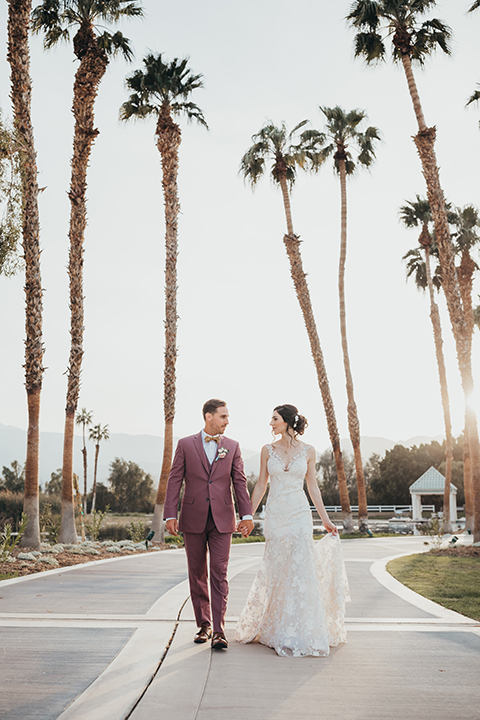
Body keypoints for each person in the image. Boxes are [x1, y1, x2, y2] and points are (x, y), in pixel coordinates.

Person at [235, 404, 350, 657]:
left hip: (299, 515)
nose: (271, 423)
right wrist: (247, 515)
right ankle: (275, 626)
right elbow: (261, 486)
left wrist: (326, 521)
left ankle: (299, 629)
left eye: (274, 419)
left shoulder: (309, 451)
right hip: (276, 516)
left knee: (300, 568)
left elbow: (313, 488)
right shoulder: (267, 451)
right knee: (277, 569)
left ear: (287, 422)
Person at [164, 399, 254, 650]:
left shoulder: (233, 447)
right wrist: (170, 514)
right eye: (223, 416)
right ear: (208, 417)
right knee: (196, 572)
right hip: (192, 517)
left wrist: (246, 515)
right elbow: (175, 481)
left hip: (223, 519)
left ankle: (219, 630)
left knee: (219, 571)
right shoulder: (185, 445)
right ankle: (203, 625)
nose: (227, 421)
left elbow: (240, 482)